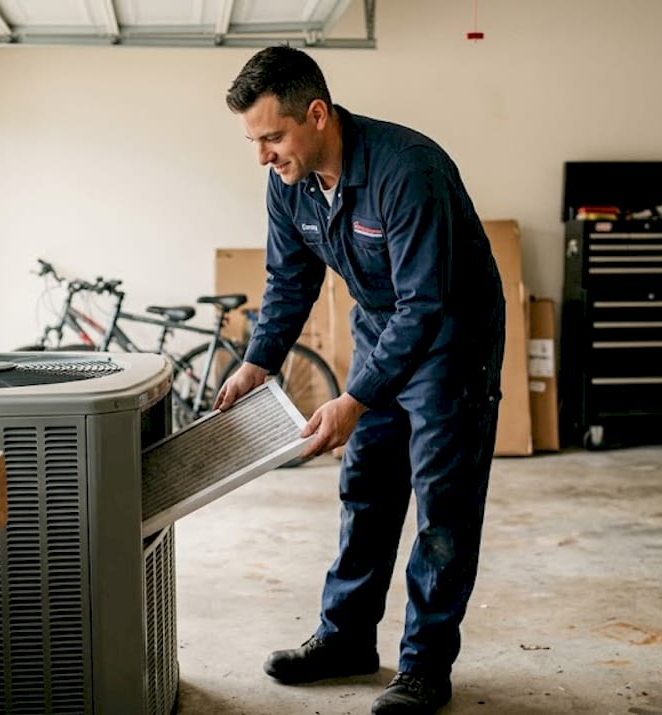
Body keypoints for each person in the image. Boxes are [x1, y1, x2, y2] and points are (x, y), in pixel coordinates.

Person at [215, 46, 506, 715]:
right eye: (253, 141)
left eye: (272, 137)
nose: (262, 155)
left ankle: (426, 666)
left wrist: (353, 396)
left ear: (316, 115)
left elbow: (426, 304)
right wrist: (257, 360)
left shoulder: (407, 170)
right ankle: (346, 639)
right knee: (367, 485)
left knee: (442, 505)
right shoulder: (288, 183)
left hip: (452, 337)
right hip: (386, 326)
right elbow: (290, 281)